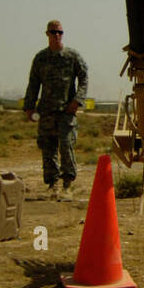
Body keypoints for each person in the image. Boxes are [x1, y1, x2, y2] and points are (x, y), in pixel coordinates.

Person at [23, 19, 88, 200]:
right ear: (47, 34)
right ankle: (53, 184)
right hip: (46, 111)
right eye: (53, 32)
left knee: (66, 145)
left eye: (60, 32)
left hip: (66, 111)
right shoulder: (40, 58)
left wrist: (78, 100)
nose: (57, 35)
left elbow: (84, 78)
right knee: (48, 148)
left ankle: (67, 184)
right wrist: (29, 106)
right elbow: (34, 83)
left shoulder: (72, 56)